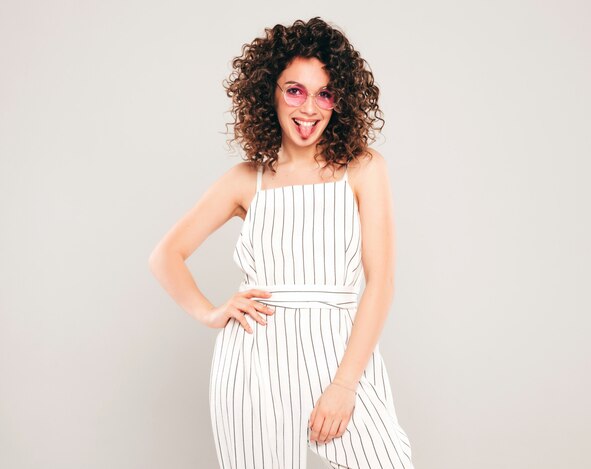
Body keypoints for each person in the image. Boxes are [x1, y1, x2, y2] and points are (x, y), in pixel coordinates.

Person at [149, 16, 415, 469]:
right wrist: (211, 313)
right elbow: (165, 256)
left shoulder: (363, 169)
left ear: (340, 101)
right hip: (253, 359)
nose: (309, 107)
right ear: (268, 91)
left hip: (338, 352)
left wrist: (345, 384)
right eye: (295, 90)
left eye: (324, 93)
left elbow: (381, 284)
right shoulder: (244, 181)